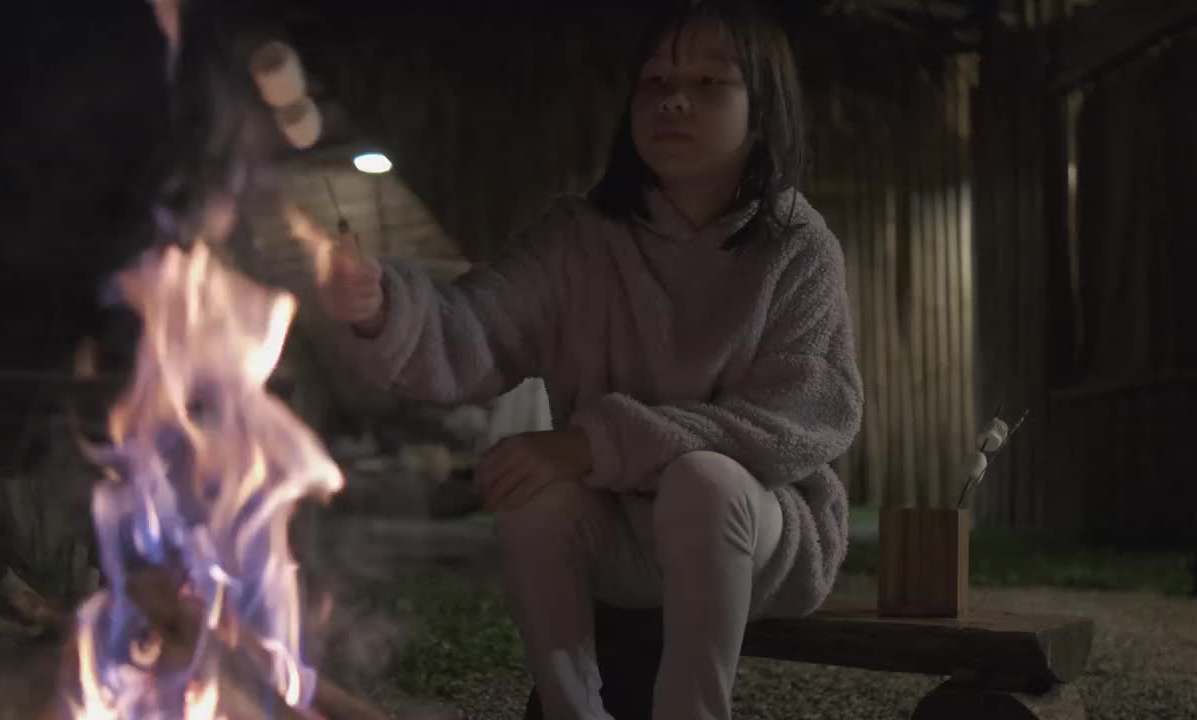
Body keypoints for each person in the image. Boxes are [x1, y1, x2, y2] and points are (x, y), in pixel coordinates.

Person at [312, 2, 863, 718]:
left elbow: (801, 419)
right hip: (622, 543)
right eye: (655, 79)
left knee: (704, 482)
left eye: (708, 83)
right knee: (529, 487)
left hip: (760, 541)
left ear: (762, 114)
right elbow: (473, 326)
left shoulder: (797, 249)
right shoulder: (582, 240)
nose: (673, 98)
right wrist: (381, 305)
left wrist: (590, 444)